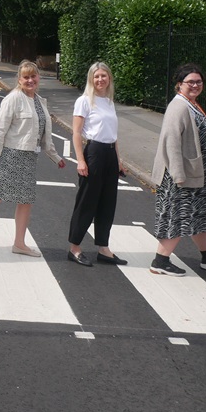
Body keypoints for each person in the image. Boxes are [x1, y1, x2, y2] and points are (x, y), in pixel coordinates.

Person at [0, 60, 66, 258]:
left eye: (33, 76)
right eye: (26, 77)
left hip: (29, 156)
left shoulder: (40, 101)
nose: (30, 80)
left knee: (25, 201)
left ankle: (19, 243)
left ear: (38, 77)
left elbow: (44, 133)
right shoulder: (13, 99)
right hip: (12, 154)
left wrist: (55, 156)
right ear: (19, 79)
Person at [150, 63, 206, 276]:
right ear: (179, 84)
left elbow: (195, 139)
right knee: (179, 216)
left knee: (201, 215)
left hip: (199, 171)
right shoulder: (178, 106)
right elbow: (171, 142)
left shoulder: (192, 104)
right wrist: (179, 175)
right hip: (182, 175)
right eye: (190, 82)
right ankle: (160, 261)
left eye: (198, 82)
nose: (195, 85)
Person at [66, 62, 127, 267]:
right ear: (91, 79)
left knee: (108, 203)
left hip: (109, 154)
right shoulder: (84, 101)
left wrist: (118, 160)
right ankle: (74, 248)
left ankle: (103, 248)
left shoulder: (109, 102)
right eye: (96, 76)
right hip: (94, 153)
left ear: (109, 78)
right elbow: (76, 132)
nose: (100, 79)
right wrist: (80, 160)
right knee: (86, 202)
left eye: (104, 76)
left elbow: (114, 135)